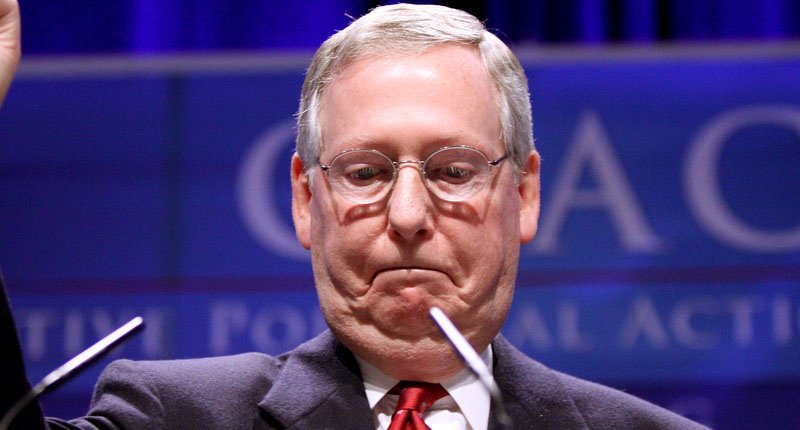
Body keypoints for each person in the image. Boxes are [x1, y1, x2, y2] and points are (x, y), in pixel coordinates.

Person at [0, 2, 708, 429]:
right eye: (365, 173)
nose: (407, 214)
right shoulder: (175, 415)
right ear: (307, 201)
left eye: (453, 171)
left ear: (522, 196)